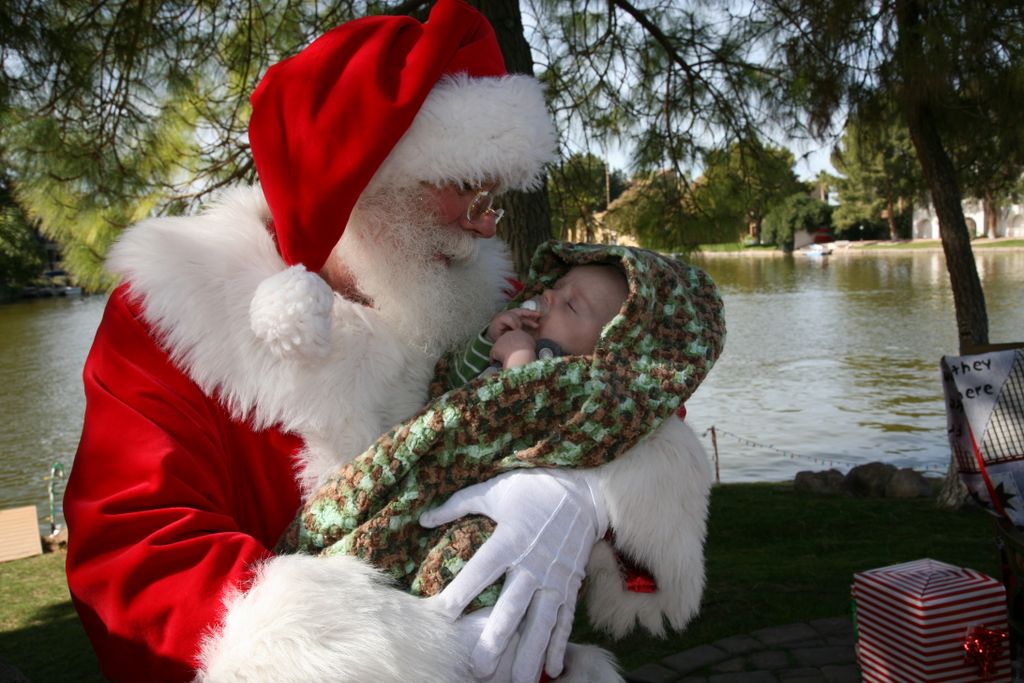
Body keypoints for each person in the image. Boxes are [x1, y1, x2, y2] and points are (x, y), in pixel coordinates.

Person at [64, 2, 718, 682]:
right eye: (464, 187)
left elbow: (643, 384)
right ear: (364, 173)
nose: (485, 225)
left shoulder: (491, 302)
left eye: (490, 195)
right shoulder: (170, 315)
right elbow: (134, 556)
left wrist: (582, 496)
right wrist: (364, 651)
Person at [289, 240, 727, 682]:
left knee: (485, 558)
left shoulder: (579, 385)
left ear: (610, 347)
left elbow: (518, 409)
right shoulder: (522, 336)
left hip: (491, 508)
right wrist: (489, 341)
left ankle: (480, 630)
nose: (549, 298)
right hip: (440, 485)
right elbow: (452, 383)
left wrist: (519, 358)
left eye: (572, 305)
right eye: (555, 288)